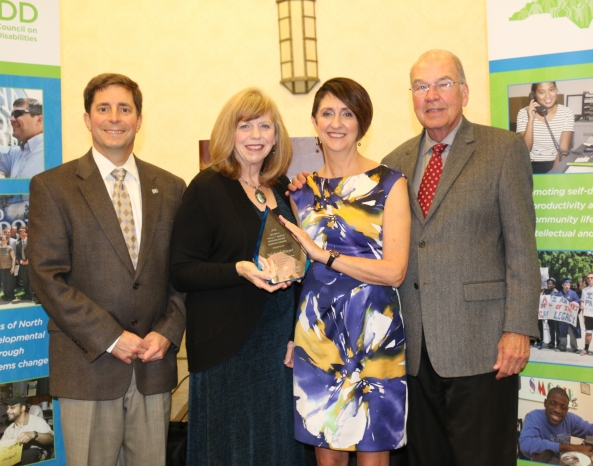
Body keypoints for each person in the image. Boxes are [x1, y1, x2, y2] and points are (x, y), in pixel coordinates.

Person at [292, 50, 540, 465]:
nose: (432, 96)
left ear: (463, 91)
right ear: (412, 96)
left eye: (443, 84)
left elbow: (522, 246)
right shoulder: (397, 161)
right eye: (422, 87)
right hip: (410, 347)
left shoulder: (503, 149)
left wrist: (518, 328)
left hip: (479, 342)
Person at [29, 73, 186, 466]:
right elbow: (47, 277)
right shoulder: (53, 186)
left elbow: (183, 273)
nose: (114, 118)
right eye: (103, 108)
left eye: (124, 109)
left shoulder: (170, 187)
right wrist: (112, 337)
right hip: (88, 366)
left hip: (153, 367)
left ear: (139, 118)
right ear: (87, 118)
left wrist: (167, 332)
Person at [168, 88, 303, 466]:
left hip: (278, 345)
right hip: (227, 345)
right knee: (232, 450)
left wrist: (295, 335)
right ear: (229, 133)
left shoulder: (280, 186)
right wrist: (238, 270)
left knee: (276, 445)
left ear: (277, 135)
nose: (256, 135)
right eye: (246, 126)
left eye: (265, 125)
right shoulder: (207, 187)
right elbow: (181, 270)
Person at [283, 77, 410, 465]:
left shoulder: (390, 183)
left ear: (361, 123)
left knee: (374, 455)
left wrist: (327, 256)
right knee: (328, 459)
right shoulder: (300, 192)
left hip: (375, 333)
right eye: (327, 113)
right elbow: (297, 270)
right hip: (318, 333)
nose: (336, 122)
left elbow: (394, 272)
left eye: (347, 113)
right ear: (314, 121)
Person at [519, 387, 593, 462]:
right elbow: (525, 443)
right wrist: (567, 447)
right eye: (553, 403)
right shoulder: (534, 416)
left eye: (563, 407)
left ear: (567, 410)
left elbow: (589, 428)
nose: (557, 410)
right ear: (545, 403)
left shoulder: (570, 419)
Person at [0, 397, 54, 465]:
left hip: (39, 455)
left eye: (12, 407)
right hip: (20, 456)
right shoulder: (10, 429)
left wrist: (33, 434)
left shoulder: (37, 421)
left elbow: (50, 439)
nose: (8, 411)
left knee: (27, 453)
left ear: (23, 408)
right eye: (7, 408)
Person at [516, 81, 575, 174]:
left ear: (556, 90)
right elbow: (525, 149)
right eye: (542, 92)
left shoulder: (567, 113)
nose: (548, 96)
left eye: (551, 90)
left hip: (557, 164)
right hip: (530, 166)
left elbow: (563, 151)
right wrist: (530, 120)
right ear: (534, 95)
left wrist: (552, 178)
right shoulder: (523, 113)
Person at [555, 278, 581, 353]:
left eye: (568, 285)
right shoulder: (558, 294)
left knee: (572, 332)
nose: (567, 286)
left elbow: (578, 301)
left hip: (571, 317)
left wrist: (574, 302)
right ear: (562, 285)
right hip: (562, 317)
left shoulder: (573, 293)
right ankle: (563, 346)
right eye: (565, 285)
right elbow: (554, 302)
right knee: (562, 332)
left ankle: (574, 347)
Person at [0, 235, 16, 302]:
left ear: (7, 240)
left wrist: (13, 267)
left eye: (4, 240)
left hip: (9, 268)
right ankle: (5, 295)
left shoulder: (10, 249)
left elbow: (13, 258)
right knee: (4, 283)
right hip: (2, 269)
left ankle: (10, 296)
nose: (3, 241)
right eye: (2, 240)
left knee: (9, 283)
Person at [541, 278, 559, 349]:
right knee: (551, 329)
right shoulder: (545, 293)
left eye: (550, 284)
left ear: (554, 285)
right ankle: (551, 343)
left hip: (556, 314)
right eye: (548, 283)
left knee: (557, 329)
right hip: (549, 314)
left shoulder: (557, 293)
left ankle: (558, 343)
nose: (549, 285)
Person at [15, 226, 32, 301]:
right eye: (20, 233)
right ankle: (26, 294)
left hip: (30, 264)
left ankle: (31, 295)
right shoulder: (18, 244)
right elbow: (17, 255)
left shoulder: (30, 241)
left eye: (23, 233)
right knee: (25, 280)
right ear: (19, 234)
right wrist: (22, 262)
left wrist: (28, 260)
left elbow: (33, 252)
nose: (22, 234)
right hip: (22, 265)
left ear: (26, 234)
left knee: (30, 280)